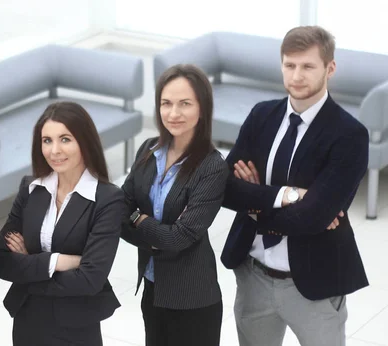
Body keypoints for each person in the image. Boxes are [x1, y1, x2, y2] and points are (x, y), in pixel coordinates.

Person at [221, 26, 369, 346]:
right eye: (290, 65)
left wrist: (256, 207)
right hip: (253, 274)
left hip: (315, 283)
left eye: (307, 66)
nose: (297, 75)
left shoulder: (350, 135)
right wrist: (285, 197)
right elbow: (225, 188)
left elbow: (314, 217)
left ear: (330, 68)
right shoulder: (262, 115)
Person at [0, 101, 125, 346]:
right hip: (27, 320)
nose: (54, 150)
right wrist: (59, 261)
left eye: (65, 139)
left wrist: (28, 264)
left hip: (75, 325)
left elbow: (90, 279)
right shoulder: (31, 188)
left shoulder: (107, 198)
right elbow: (1, 261)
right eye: (47, 140)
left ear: (84, 141)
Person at [121, 64, 228, 346]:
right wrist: (150, 229)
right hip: (152, 287)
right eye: (165, 103)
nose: (173, 113)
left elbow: (180, 238)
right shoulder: (148, 150)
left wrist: (140, 221)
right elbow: (119, 210)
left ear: (202, 108)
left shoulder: (212, 166)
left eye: (184, 104)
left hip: (192, 297)